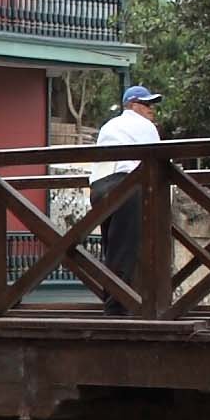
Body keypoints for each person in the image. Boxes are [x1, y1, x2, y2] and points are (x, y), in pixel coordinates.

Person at [88, 81, 161, 293]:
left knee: (111, 246)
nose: (151, 109)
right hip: (127, 184)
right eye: (146, 104)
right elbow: (155, 161)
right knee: (127, 249)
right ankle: (119, 306)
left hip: (100, 187)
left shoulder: (108, 126)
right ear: (133, 105)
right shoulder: (146, 127)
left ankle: (112, 299)